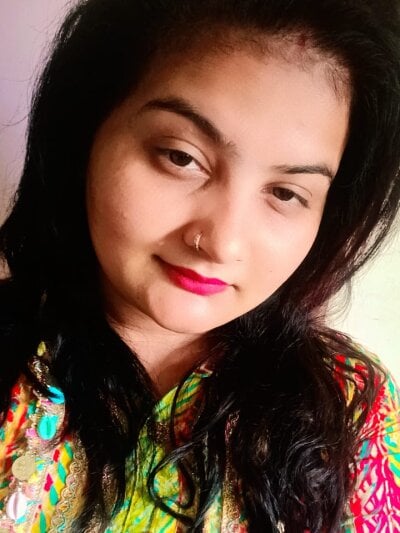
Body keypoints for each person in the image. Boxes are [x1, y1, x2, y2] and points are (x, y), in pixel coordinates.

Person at [0, 0, 399, 531]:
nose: (222, 244)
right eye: (181, 157)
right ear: (86, 131)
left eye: (285, 192)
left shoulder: (352, 409)